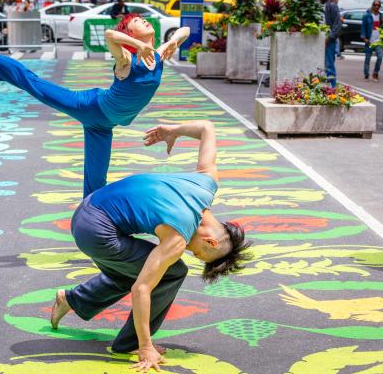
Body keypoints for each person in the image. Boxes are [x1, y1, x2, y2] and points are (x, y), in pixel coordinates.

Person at [49, 120, 252, 370]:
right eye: (198, 253)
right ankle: (132, 343)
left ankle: (72, 299)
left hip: (87, 209)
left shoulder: (205, 183)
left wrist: (174, 131)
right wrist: (146, 347)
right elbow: (142, 290)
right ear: (211, 240)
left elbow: (207, 128)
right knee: (172, 272)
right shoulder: (179, 235)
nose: (189, 251)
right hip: (94, 230)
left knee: (133, 271)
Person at [0, 14, 190, 196]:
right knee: (32, 82)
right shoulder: (126, 59)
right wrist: (139, 46)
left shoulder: (158, 56)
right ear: (130, 33)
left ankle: (93, 223)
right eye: (138, 21)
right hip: (90, 106)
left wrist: (174, 40)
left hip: (104, 125)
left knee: (96, 180)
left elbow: (185, 29)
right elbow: (110, 34)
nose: (146, 21)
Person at [319, 0, 342, 87]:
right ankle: (322, 86)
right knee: (319, 64)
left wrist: (329, 37)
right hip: (318, 39)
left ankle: (332, 88)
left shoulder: (332, 6)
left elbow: (337, 25)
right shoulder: (318, 7)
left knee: (329, 65)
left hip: (329, 40)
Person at [361, 0, 383, 81]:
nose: (377, 6)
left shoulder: (381, 16)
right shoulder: (367, 16)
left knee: (380, 57)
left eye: (378, 5)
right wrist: (364, 38)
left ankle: (375, 73)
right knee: (367, 59)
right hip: (369, 41)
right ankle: (366, 75)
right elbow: (363, 27)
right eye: (375, 5)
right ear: (372, 5)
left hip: (378, 41)